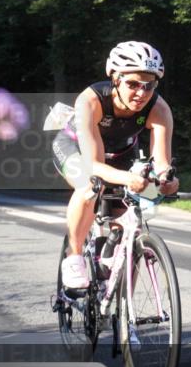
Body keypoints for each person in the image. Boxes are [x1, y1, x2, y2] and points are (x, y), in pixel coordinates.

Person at [52, 41, 179, 289]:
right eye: (133, 84)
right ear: (116, 79)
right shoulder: (91, 100)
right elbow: (93, 165)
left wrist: (168, 180)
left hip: (121, 152)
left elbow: (162, 163)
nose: (141, 93)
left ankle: (119, 292)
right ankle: (74, 255)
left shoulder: (160, 109)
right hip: (75, 148)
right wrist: (127, 178)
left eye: (149, 85)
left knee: (128, 210)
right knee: (90, 185)